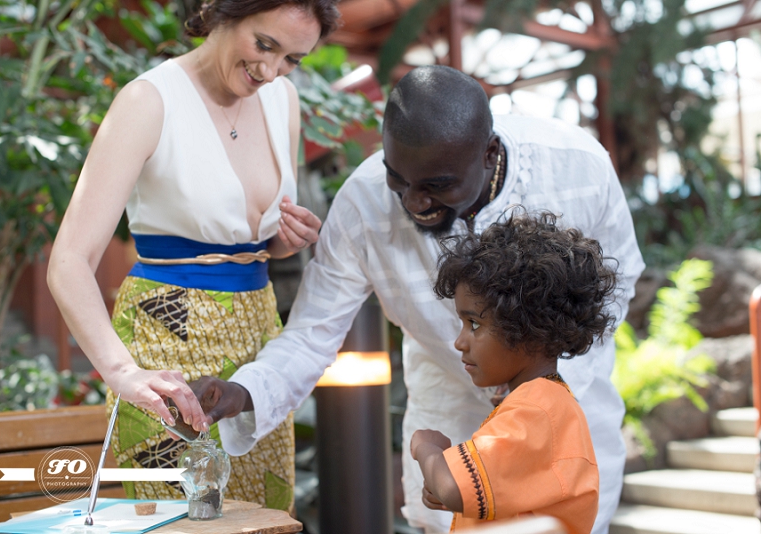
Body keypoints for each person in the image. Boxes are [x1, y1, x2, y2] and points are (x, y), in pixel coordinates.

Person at [193, 65, 646, 532]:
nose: (413, 202)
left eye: (437, 185)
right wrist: (244, 391)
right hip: (448, 403)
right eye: (398, 179)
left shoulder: (578, 165)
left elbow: (615, 283)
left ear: (489, 154)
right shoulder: (363, 204)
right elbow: (311, 334)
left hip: (570, 404)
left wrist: (540, 388)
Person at [47, 0, 340, 508]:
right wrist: (123, 373)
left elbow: (245, 236)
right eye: (264, 44)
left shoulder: (283, 100)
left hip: (257, 353)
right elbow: (68, 260)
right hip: (167, 341)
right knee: (177, 518)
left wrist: (281, 240)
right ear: (220, 12)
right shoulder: (148, 101)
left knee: (263, 515)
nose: (271, 71)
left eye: (293, 58)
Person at [411, 209, 618, 532]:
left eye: (474, 324)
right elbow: (467, 491)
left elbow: (452, 488)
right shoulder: (543, 405)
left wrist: (428, 449)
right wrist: (443, 481)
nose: (459, 342)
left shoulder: (536, 408)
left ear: (528, 329)